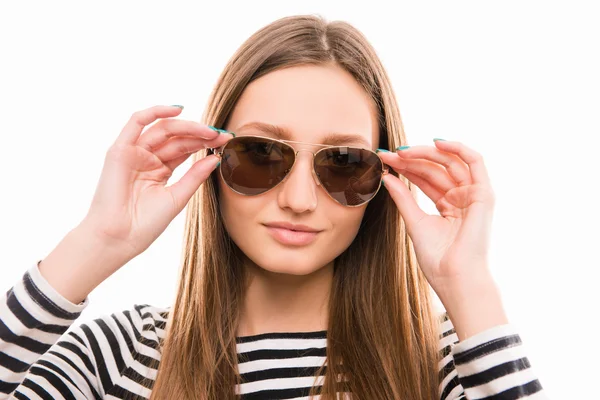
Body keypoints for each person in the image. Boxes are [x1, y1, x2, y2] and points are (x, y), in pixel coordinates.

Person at [0, 14, 547, 400]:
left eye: (343, 163)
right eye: (260, 154)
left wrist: (469, 285)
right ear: (209, 159)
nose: (300, 200)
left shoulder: (446, 362)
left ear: (384, 177)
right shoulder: (118, 355)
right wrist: (96, 245)